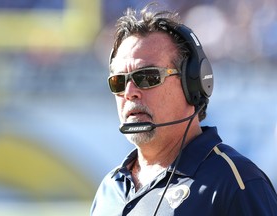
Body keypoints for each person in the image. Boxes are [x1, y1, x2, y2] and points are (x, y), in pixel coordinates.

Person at [90, 3, 277, 216]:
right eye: (118, 81)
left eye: (148, 77)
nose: (130, 92)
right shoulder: (109, 188)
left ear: (192, 83)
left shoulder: (235, 182)